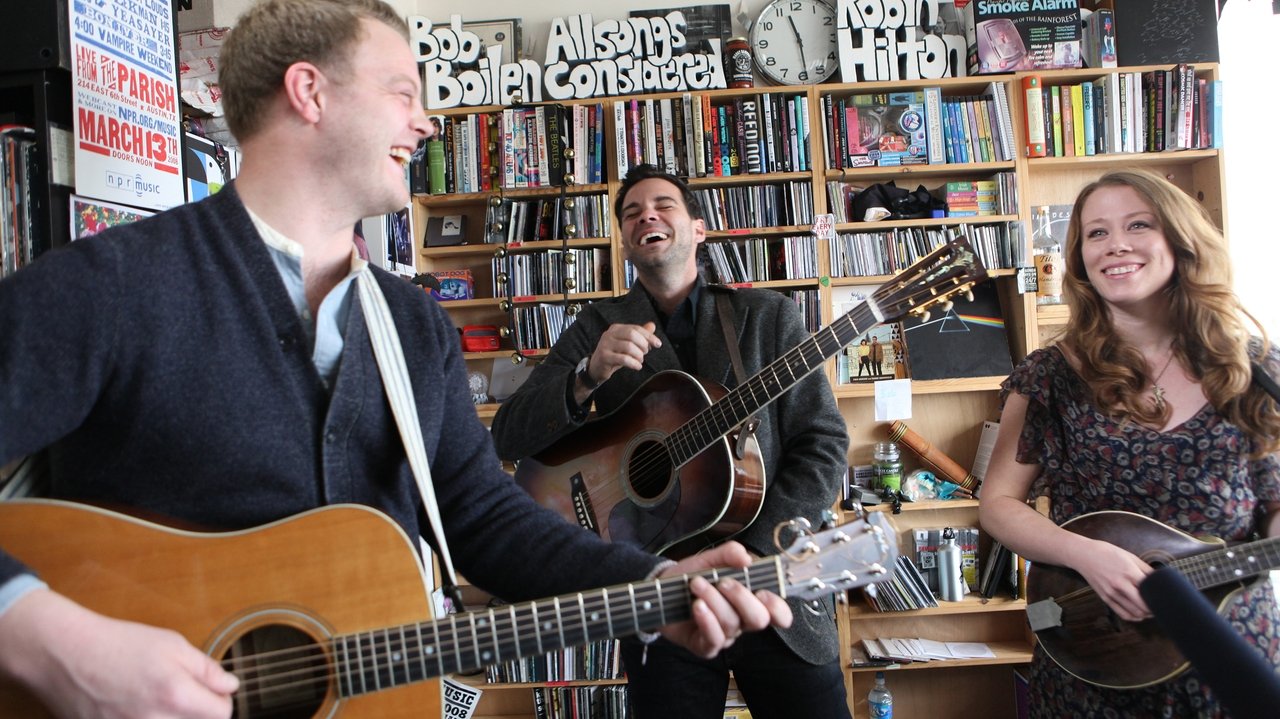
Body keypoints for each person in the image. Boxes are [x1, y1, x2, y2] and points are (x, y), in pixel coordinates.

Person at [0, 4, 790, 718]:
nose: (427, 122)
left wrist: (646, 586)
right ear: (309, 93)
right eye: (403, 92)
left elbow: (483, 516)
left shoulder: (414, 326)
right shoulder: (109, 286)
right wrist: (52, 642)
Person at [490, 164, 851, 719]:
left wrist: (757, 557)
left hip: (775, 589)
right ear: (626, 242)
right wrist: (584, 375)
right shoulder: (597, 328)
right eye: (631, 213)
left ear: (698, 229)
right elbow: (509, 433)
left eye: (663, 205)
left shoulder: (768, 317)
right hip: (659, 598)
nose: (646, 216)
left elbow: (823, 443)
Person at [979, 169, 1280, 718]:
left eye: (1138, 225)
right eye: (1095, 233)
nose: (1115, 244)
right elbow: (997, 505)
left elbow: (1274, 503)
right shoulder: (1050, 375)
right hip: (1097, 654)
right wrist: (1089, 557)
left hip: (1231, 654)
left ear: (1180, 241)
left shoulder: (1255, 368)